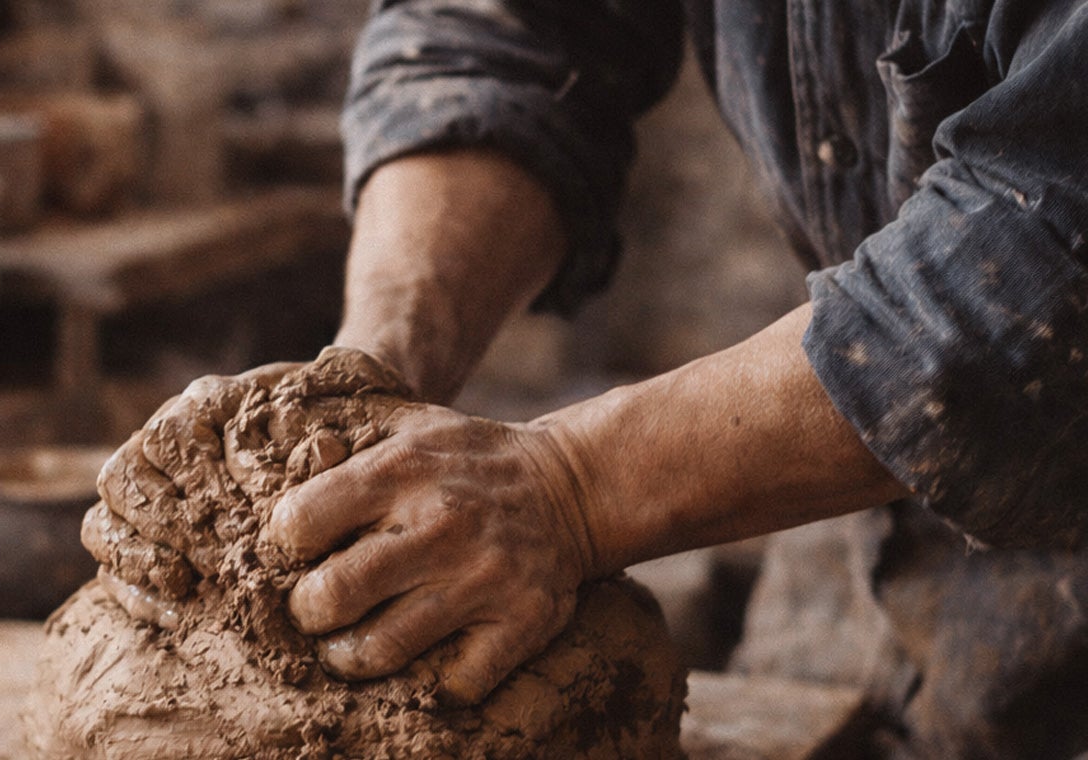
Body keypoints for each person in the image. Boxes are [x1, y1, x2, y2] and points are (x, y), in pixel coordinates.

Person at [95, 1, 1088, 757]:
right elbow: (499, 37)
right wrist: (363, 380)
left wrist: (570, 487)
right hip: (871, 481)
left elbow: (1051, 237)